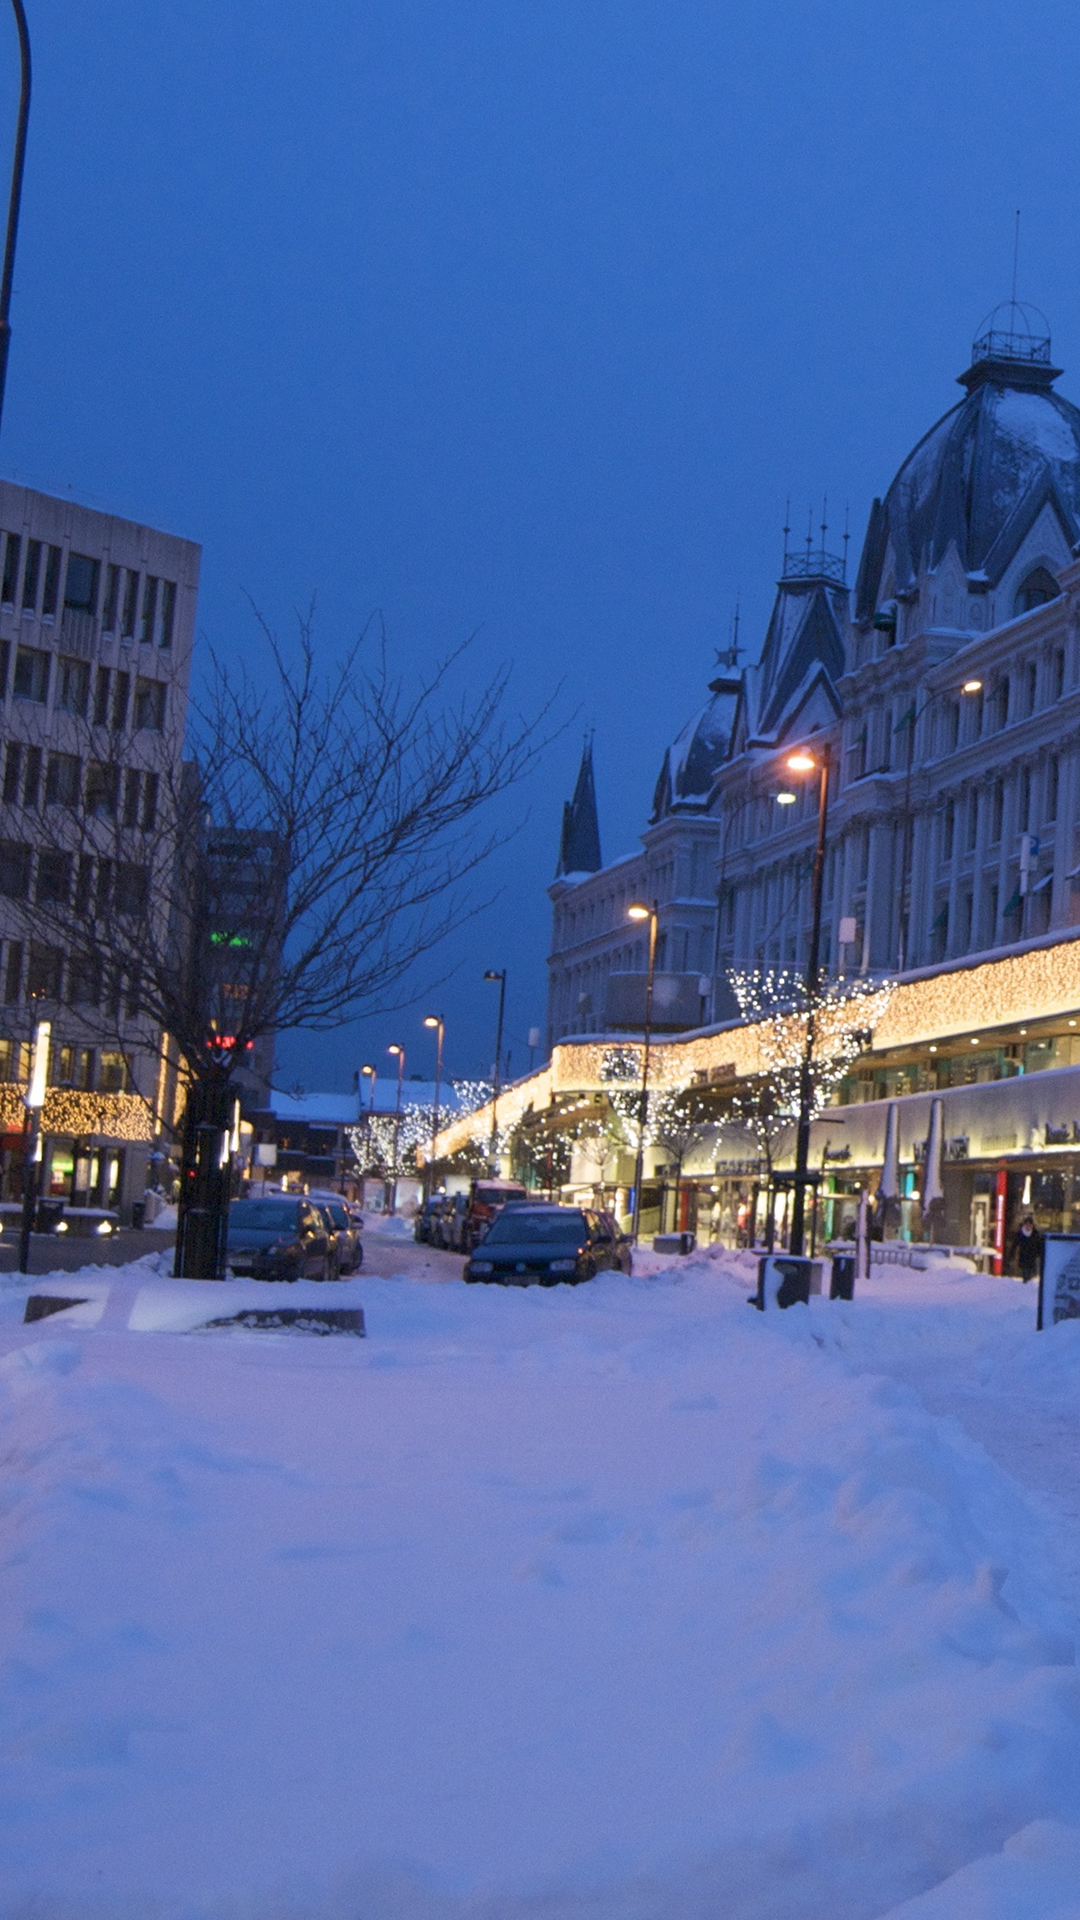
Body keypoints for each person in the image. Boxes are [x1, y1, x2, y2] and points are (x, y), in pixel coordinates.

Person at [1011, 1214, 1042, 1283]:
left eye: (1029, 1224)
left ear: (1032, 1225)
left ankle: (1028, 1284)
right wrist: (1012, 1254)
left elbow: (1039, 1245)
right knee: (1025, 1273)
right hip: (1023, 1256)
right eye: (1026, 1224)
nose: (1028, 1226)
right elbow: (1015, 1244)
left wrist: (1039, 1254)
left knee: (1030, 1274)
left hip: (1032, 1257)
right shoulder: (1020, 1233)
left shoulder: (1035, 1234)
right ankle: (1025, 1284)